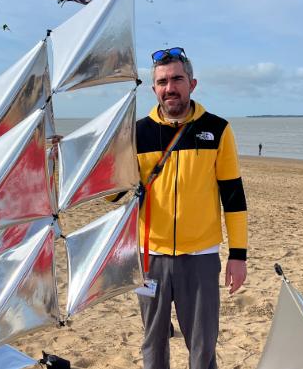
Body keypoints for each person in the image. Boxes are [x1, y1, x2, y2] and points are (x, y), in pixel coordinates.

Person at [122, 47, 248, 369]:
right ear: (154, 89)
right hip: (148, 259)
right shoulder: (136, 133)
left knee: (203, 347)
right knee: (153, 343)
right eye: (162, 81)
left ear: (192, 83)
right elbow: (114, 193)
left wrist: (238, 255)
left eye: (177, 78)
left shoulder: (217, 129)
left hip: (201, 258)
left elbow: (233, 196)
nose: (170, 87)